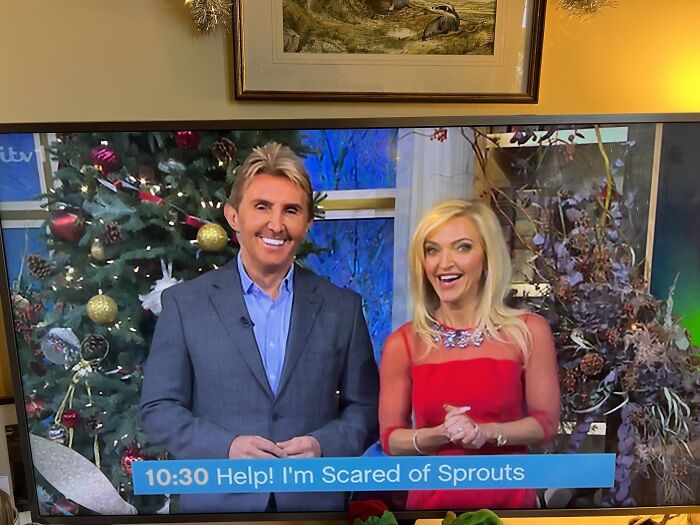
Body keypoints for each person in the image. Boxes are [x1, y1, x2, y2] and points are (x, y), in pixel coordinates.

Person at [140, 142, 379, 513]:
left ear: (307, 223)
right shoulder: (186, 305)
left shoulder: (341, 308)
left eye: (291, 210)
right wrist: (226, 447)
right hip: (217, 508)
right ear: (233, 216)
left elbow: (365, 409)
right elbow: (158, 408)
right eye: (262, 207)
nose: (276, 225)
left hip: (311, 507)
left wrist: (322, 445)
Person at [379, 198, 560, 510]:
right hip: (432, 509)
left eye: (462, 247)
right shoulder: (403, 343)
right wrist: (440, 434)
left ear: (487, 257)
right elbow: (391, 439)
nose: (444, 263)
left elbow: (544, 426)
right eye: (432, 250)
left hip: (509, 506)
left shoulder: (529, 331)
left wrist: (484, 433)